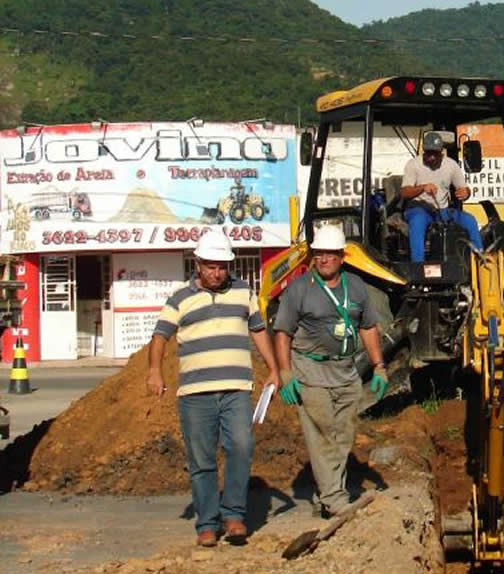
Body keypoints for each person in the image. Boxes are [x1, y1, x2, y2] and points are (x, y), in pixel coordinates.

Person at [146, 229, 280, 547]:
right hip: (195, 393)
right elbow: (160, 336)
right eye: (210, 266)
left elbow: (259, 331)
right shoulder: (179, 297)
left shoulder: (243, 292)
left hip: (236, 389)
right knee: (202, 459)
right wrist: (154, 371)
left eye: (222, 266)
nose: (217, 272)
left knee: (242, 447)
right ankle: (207, 523)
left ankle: (233, 515)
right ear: (198, 264)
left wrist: (274, 369)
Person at [273, 225, 387, 518]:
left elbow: (368, 327)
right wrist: (285, 373)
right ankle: (335, 498)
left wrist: (379, 367)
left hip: (346, 371)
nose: (323, 259)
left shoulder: (357, 287)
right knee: (322, 433)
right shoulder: (299, 289)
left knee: (343, 435)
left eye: (329, 254)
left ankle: (325, 490)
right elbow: (283, 333)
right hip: (310, 369)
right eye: (318, 254)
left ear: (342, 257)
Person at [400, 131, 483, 263]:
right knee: (417, 222)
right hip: (418, 208)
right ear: (424, 152)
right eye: (428, 153)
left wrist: (466, 193)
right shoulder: (413, 164)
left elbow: (464, 188)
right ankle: (419, 265)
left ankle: (479, 259)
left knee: (470, 220)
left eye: (435, 153)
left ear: (441, 153)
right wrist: (422, 187)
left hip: (442, 210)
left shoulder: (451, 165)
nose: (432, 157)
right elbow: (404, 192)